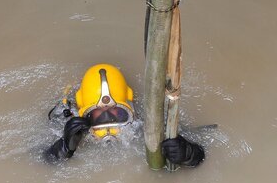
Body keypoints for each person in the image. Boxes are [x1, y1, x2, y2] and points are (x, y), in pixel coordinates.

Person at [46, 64, 205, 167]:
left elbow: (203, 144)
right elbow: (40, 162)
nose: (109, 124)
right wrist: (64, 146)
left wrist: (190, 154)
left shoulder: (144, 124)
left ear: (131, 109)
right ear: (81, 114)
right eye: (96, 117)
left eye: (118, 114)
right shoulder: (64, 121)